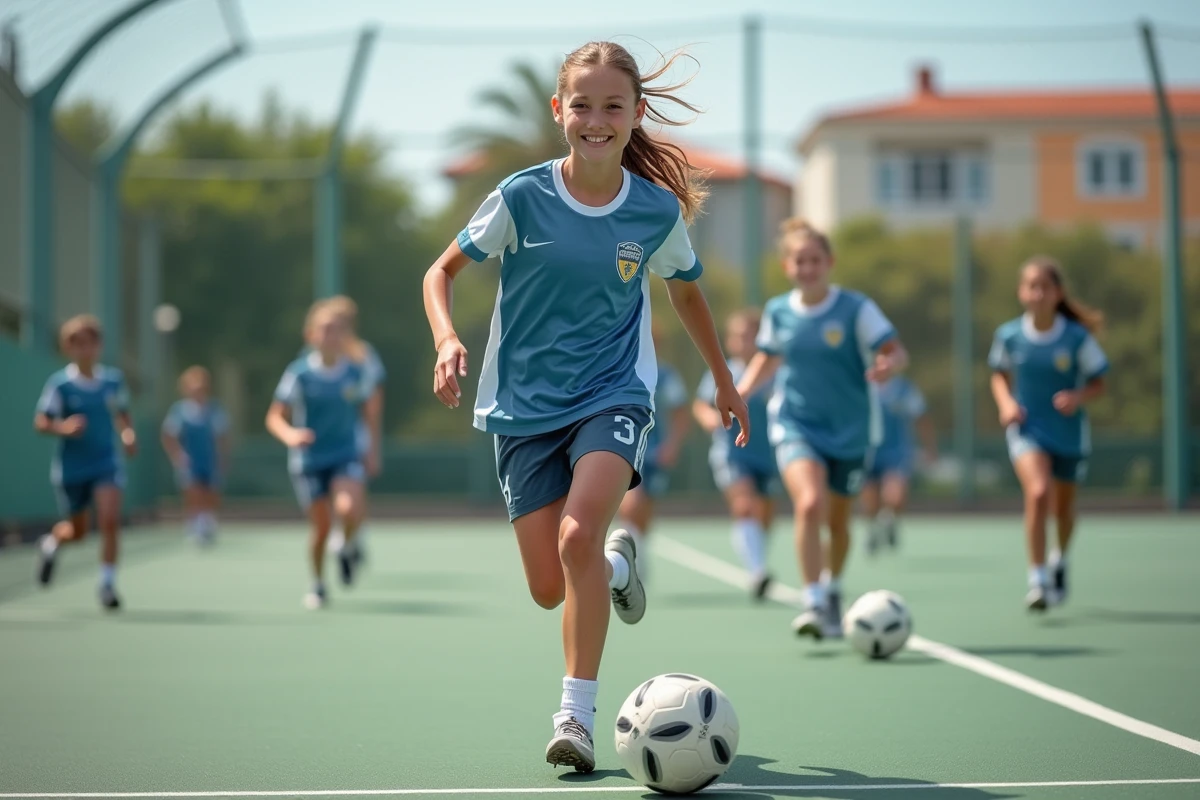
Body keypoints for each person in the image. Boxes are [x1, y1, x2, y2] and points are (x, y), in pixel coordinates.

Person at [421, 40, 749, 773]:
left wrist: (724, 380)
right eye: (583, 105)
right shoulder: (520, 195)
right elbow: (438, 273)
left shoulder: (654, 210)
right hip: (522, 407)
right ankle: (615, 561)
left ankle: (576, 715)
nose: (596, 119)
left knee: (575, 541)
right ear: (558, 111)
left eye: (612, 106)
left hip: (612, 393)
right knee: (548, 588)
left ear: (635, 115)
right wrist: (446, 339)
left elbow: (687, 292)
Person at [738, 218, 908, 640]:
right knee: (809, 503)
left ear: (829, 263)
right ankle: (813, 599)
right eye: (800, 261)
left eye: (815, 260)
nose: (808, 268)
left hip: (851, 431)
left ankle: (831, 587)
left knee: (838, 520)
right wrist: (738, 392)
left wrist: (889, 365)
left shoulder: (856, 308)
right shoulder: (778, 312)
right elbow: (767, 359)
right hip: (798, 425)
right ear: (786, 266)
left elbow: (895, 350)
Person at [988, 255, 1107, 611]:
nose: (1037, 293)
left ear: (1057, 293)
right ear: (1021, 293)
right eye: (1031, 286)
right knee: (1038, 493)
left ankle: (1059, 559)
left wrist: (1078, 396)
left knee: (1064, 508)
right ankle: (1037, 579)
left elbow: (1099, 382)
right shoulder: (1009, 336)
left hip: (1069, 433)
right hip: (1028, 430)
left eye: (1044, 286)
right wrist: (1006, 404)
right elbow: (998, 375)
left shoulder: (1076, 337)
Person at [266, 301, 375, 610]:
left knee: (349, 509)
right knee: (321, 527)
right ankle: (317, 583)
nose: (332, 335)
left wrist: (368, 447)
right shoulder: (299, 374)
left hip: (345, 455)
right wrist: (291, 435)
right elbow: (275, 416)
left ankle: (345, 544)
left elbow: (367, 408)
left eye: (338, 330)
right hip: (309, 461)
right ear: (311, 335)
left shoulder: (354, 373)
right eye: (326, 330)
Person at [34, 314, 138, 610]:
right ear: (68, 348)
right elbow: (41, 421)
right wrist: (62, 427)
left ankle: (107, 584)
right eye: (77, 344)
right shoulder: (60, 385)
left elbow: (123, 414)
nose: (85, 349)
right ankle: (51, 544)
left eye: (90, 343)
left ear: (99, 346)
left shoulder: (113, 381)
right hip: (72, 468)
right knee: (77, 532)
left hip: (106, 462)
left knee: (109, 519)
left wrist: (128, 435)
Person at [694, 308, 780, 598]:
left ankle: (756, 558)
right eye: (740, 336)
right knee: (744, 506)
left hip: (767, 454)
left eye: (752, 335)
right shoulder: (722, 372)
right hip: (732, 453)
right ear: (730, 341)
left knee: (765, 515)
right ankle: (757, 573)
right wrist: (708, 417)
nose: (746, 341)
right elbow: (702, 403)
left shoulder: (773, 373)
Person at [613, 326, 691, 582]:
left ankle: (637, 553)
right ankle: (628, 560)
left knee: (644, 510)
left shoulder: (666, 375)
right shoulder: (618, 370)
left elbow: (680, 412)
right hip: (623, 449)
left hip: (654, 454)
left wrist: (673, 445)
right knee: (632, 504)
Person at [322, 295, 384, 564]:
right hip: (322, 437)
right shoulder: (314, 356)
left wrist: (373, 445)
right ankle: (341, 532)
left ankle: (352, 534)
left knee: (354, 488)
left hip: (352, 435)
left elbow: (372, 403)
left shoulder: (364, 356)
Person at [861, 376, 937, 554]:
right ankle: (872, 529)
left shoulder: (904, 389)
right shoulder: (862, 386)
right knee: (870, 503)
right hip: (867, 451)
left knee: (895, 497)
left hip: (897, 453)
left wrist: (930, 447)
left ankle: (889, 521)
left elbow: (921, 417)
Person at [161, 366, 230, 546]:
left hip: (209, 459)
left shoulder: (214, 409)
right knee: (192, 492)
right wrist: (177, 455)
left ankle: (208, 524)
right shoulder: (179, 410)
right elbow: (168, 435)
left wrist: (221, 458)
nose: (197, 391)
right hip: (190, 460)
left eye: (200, 387)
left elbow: (222, 436)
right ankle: (194, 527)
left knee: (210, 492)